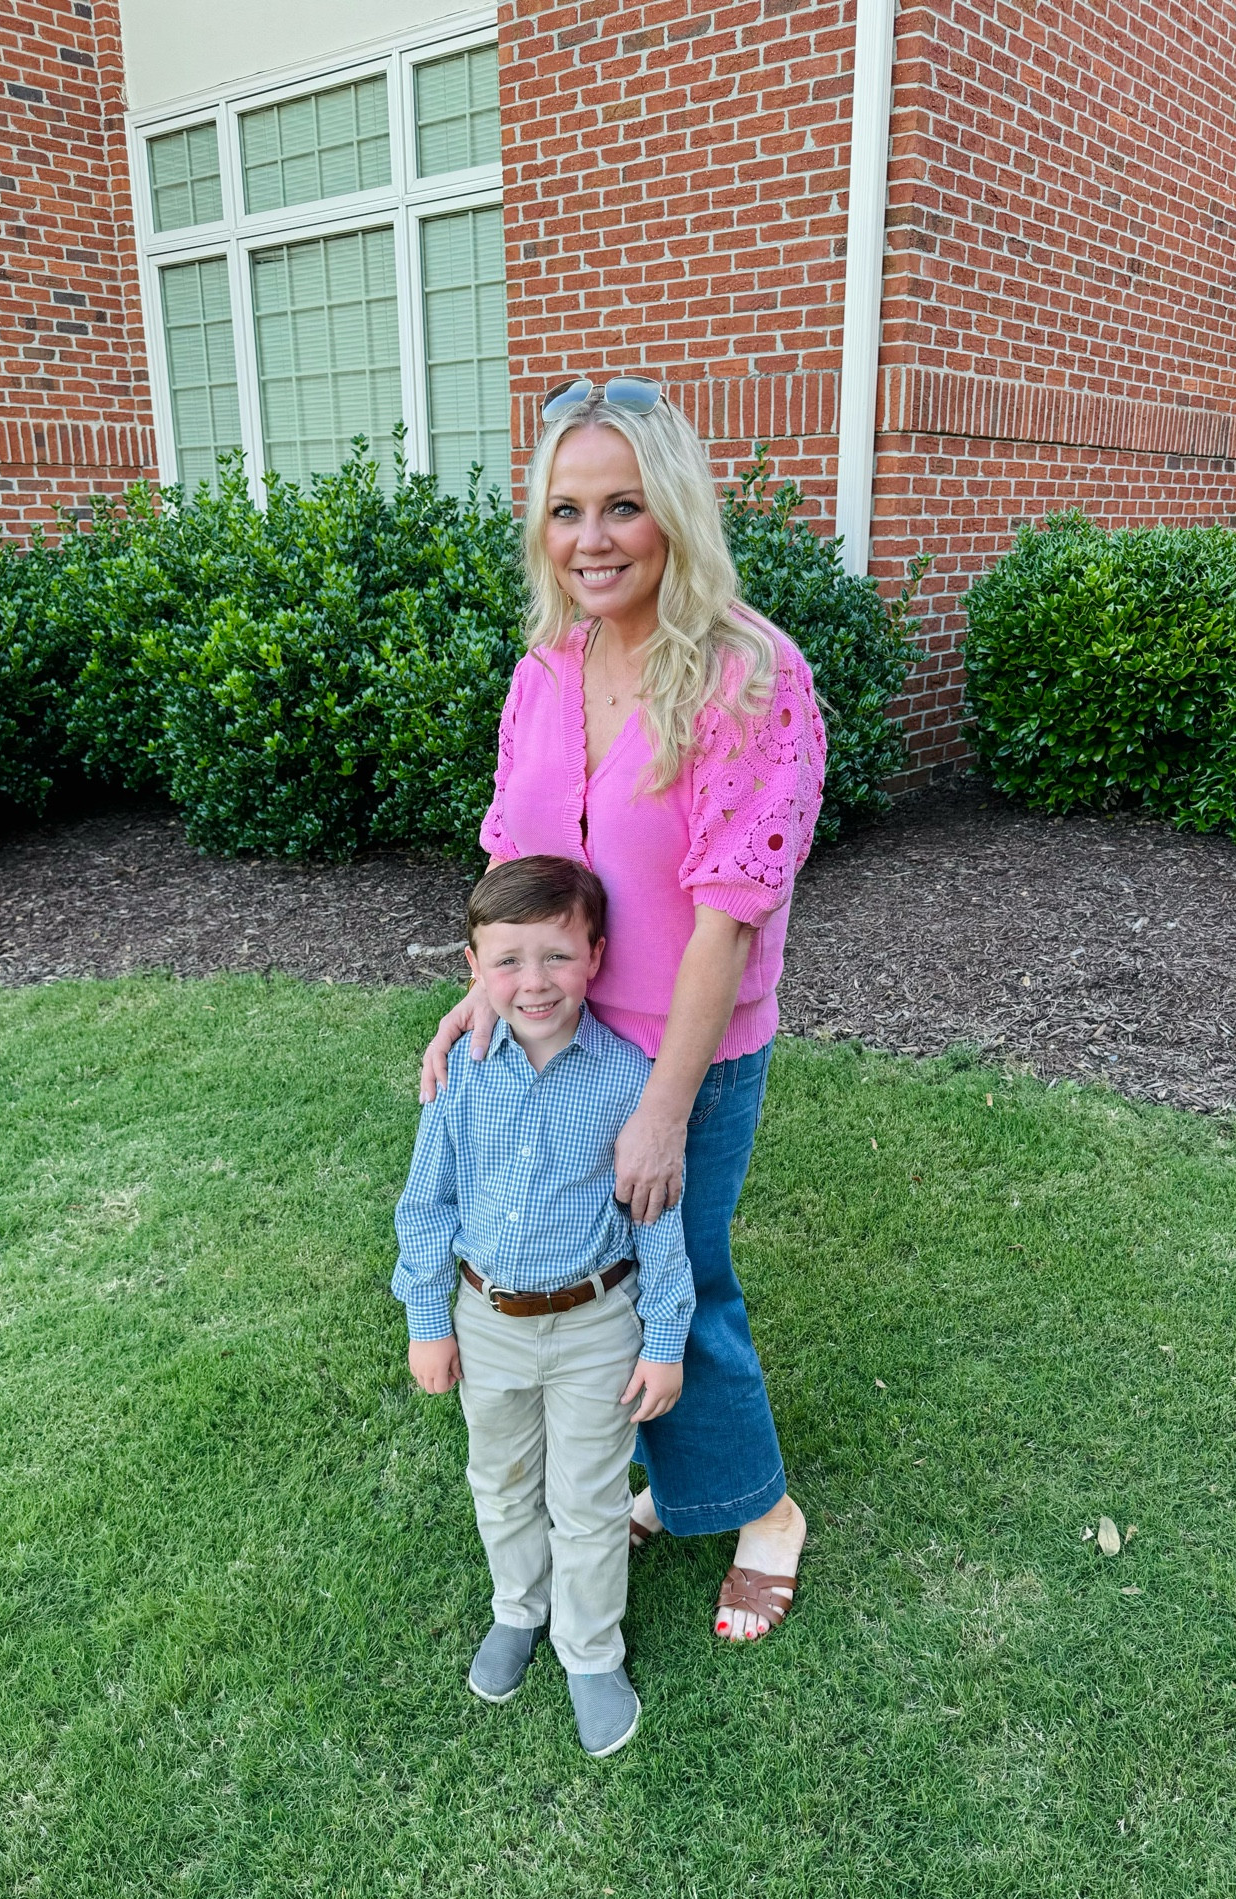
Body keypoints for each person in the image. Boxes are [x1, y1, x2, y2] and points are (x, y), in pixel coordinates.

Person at [420, 373, 826, 1643]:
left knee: (680, 1278)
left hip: (684, 1051)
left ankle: (765, 1512)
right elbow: (516, 860)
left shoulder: (750, 675)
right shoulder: (548, 669)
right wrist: (481, 992)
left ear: (676, 513)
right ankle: (685, 1478)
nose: (591, 538)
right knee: (602, 1282)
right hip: (558, 1036)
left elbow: (728, 916)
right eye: (565, 510)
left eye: (622, 507)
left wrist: (662, 1109)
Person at [393, 855, 695, 1758]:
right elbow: (426, 1206)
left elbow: (659, 1223)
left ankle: (590, 1651)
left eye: (557, 956)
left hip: (597, 1324)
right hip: (487, 1321)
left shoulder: (629, 1079)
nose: (534, 982)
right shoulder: (461, 1075)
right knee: (501, 1479)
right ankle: (518, 1609)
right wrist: (428, 1324)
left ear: (595, 956)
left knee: (590, 1498)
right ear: (474, 969)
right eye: (508, 961)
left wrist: (665, 1339)